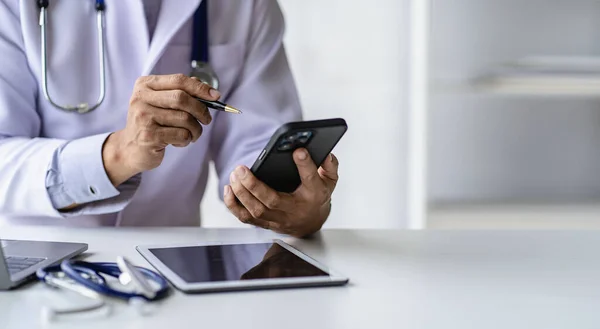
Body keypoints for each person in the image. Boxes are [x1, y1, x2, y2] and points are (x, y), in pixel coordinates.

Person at [0, 0, 339, 238]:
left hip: (174, 262)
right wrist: (117, 155)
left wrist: (292, 207)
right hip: (43, 258)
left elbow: (257, 145)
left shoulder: (247, 5)